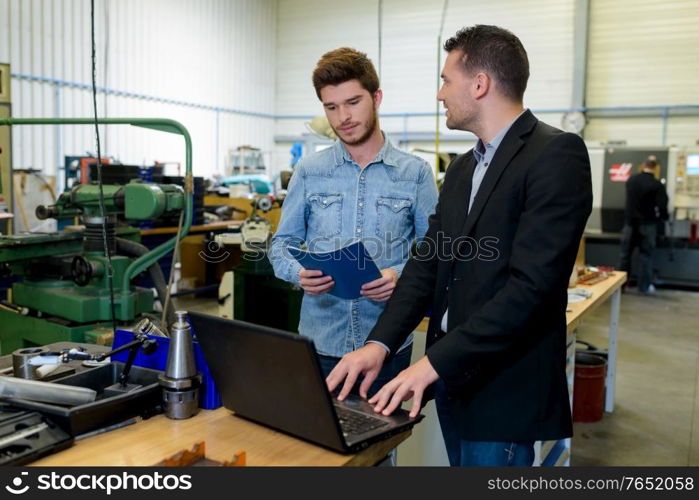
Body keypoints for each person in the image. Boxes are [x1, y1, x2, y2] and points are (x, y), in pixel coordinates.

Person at [326, 25, 593, 466]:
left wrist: (431, 365)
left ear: (480, 83)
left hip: (503, 390)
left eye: (446, 80)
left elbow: (531, 289)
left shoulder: (554, 154)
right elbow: (426, 266)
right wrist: (380, 344)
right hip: (453, 378)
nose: (439, 94)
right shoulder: (464, 168)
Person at [269, 47, 439, 396]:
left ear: (376, 98)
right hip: (320, 344)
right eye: (331, 107)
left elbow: (435, 252)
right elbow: (280, 244)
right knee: (318, 443)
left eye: (353, 102)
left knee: (379, 445)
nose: (342, 117)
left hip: (385, 345)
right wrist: (297, 274)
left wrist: (398, 274)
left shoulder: (415, 174)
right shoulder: (309, 171)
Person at [618, 156, 668, 294]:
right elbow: (662, 206)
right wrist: (664, 218)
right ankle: (643, 287)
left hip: (629, 224)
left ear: (643, 165)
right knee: (646, 256)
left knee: (625, 255)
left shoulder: (631, 180)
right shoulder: (656, 184)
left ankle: (620, 286)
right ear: (656, 168)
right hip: (648, 225)